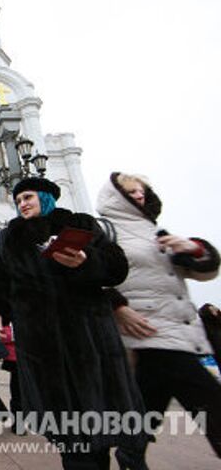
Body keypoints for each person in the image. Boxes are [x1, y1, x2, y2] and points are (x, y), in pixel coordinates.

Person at [0, 177, 147, 470]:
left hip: (88, 337)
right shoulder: (11, 236)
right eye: (19, 199)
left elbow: (116, 267)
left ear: (46, 198)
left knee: (100, 417)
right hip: (41, 342)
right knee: (69, 433)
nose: (22, 204)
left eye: (29, 197)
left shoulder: (80, 225)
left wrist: (86, 262)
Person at [97, 172, 221, 459]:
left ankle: (130, 451)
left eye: (142, 191)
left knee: (148, 403)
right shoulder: (106, 232)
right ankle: (130, 450)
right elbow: (90, 276)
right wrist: (117, 306)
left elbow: (198, 270)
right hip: (147, 330)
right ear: (117, 197)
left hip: (175, 331)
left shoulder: (156, 232)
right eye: (131, 192)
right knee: (211, 403)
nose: (139, 196)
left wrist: (196, 249)